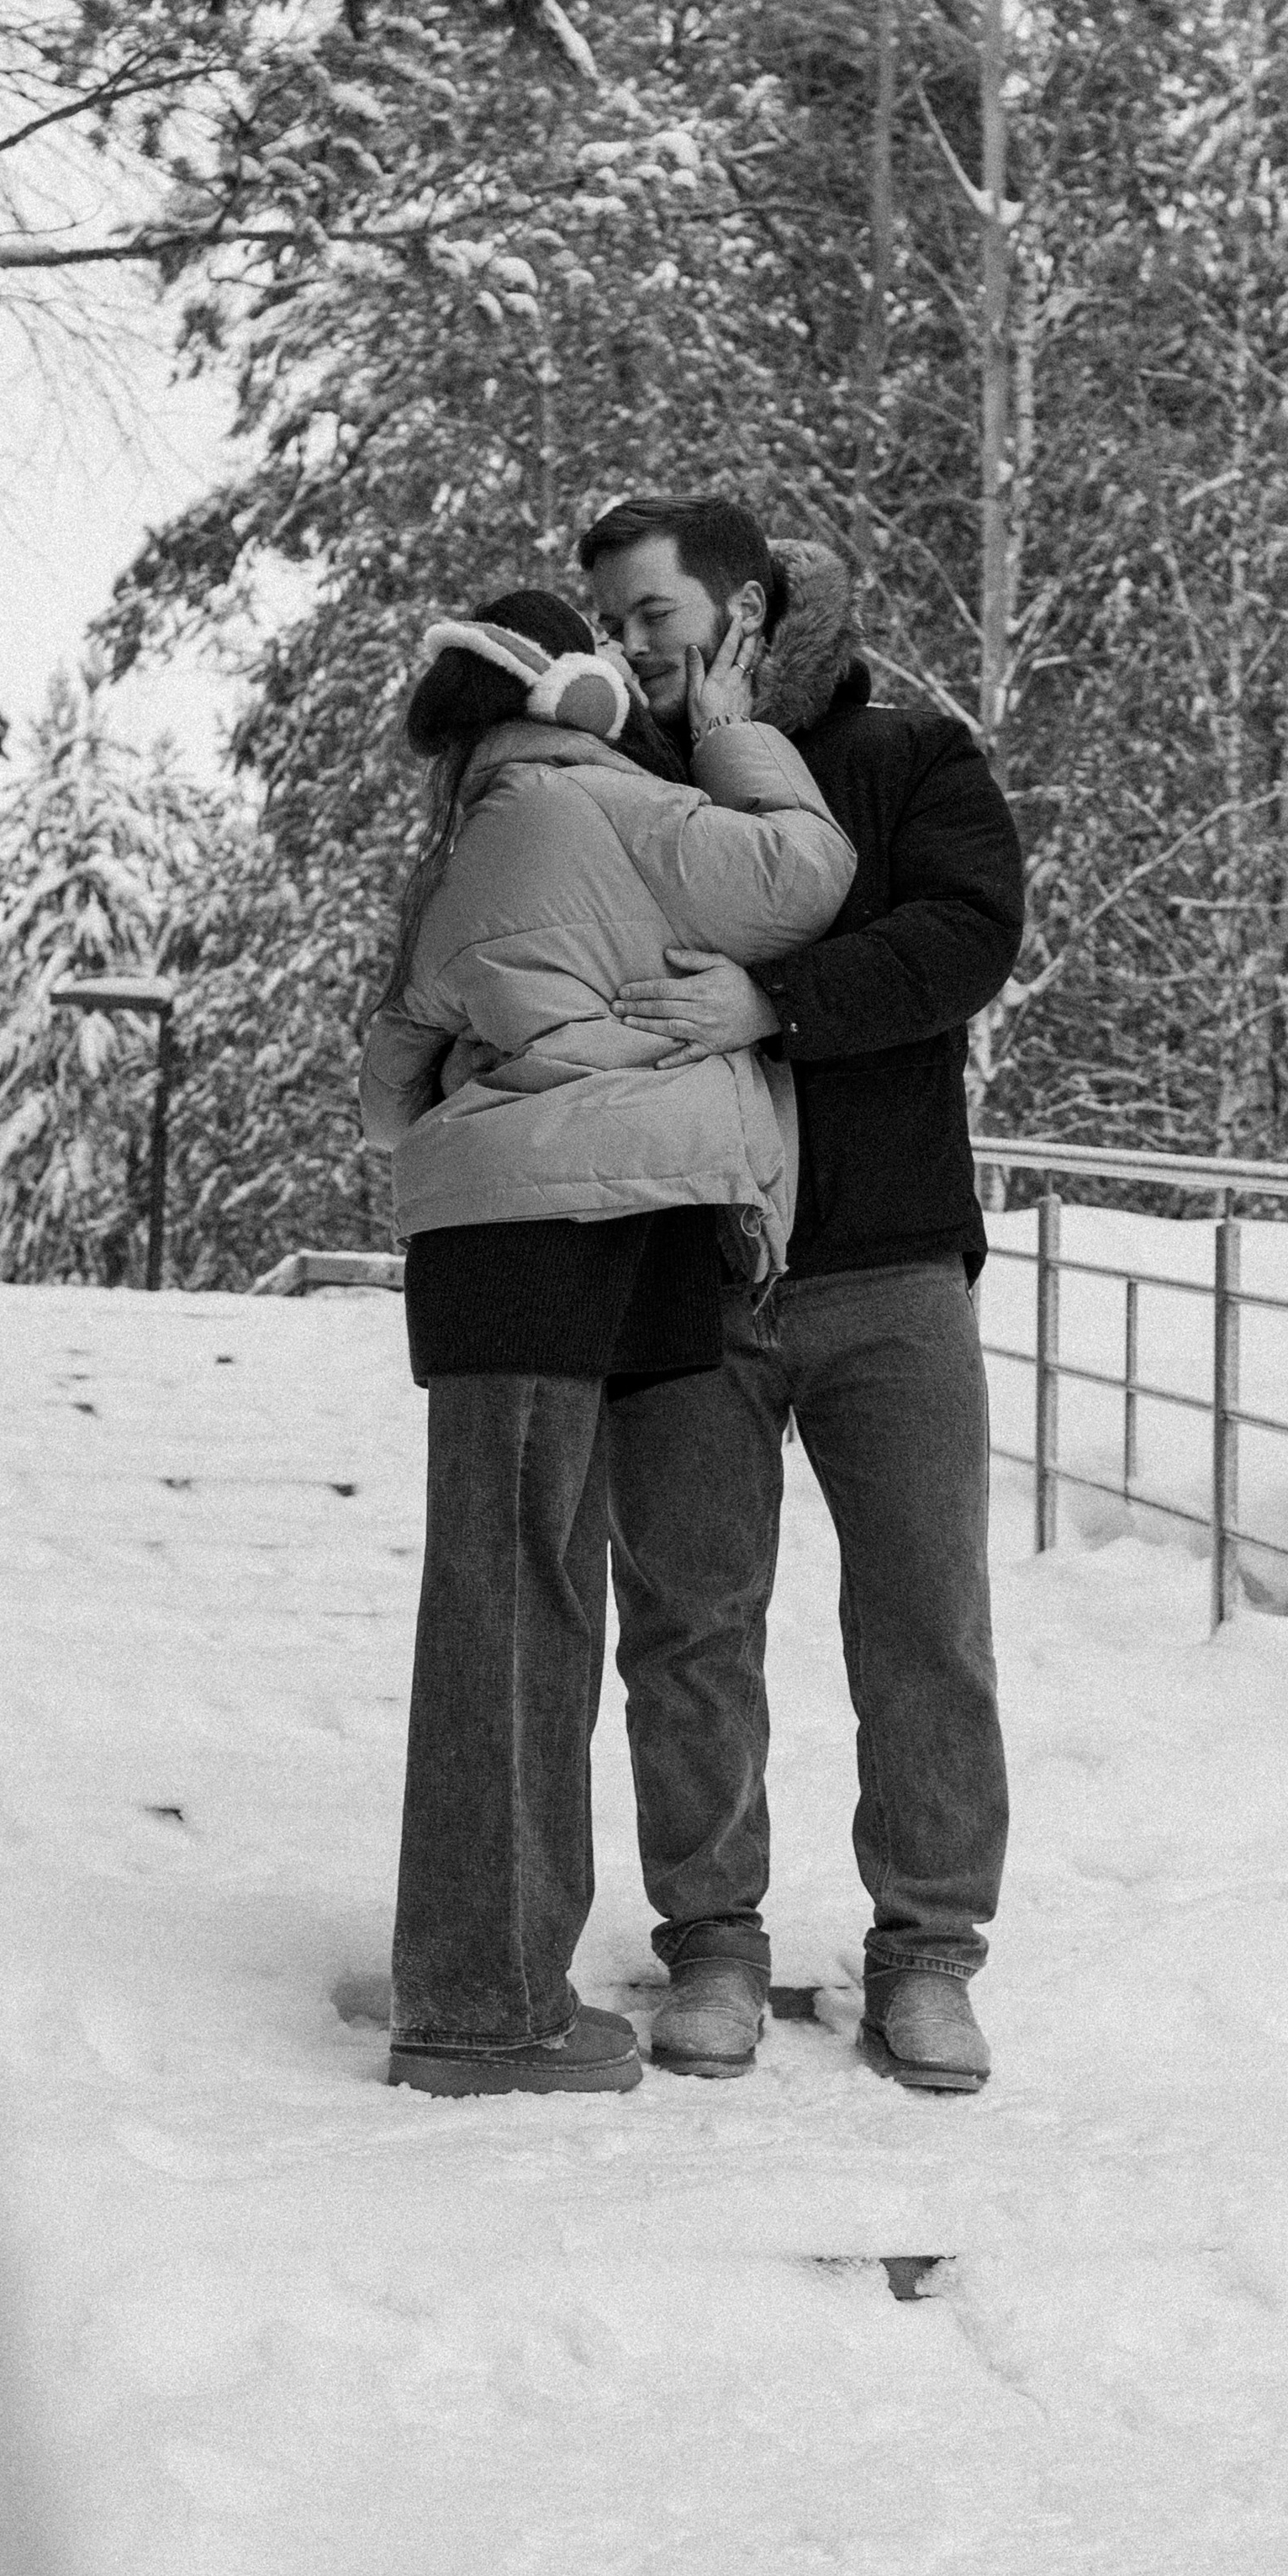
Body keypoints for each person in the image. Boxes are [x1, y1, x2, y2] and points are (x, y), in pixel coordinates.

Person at [359, 587, 855, 2098]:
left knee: (512, 1610)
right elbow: (810, 874)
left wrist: (540, 1051)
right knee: (521, 1622)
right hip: (573, 1250)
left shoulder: (467, 845)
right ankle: (477, 2010)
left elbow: (392, 1090)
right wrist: (736, 737)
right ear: (569, 692)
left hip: (502, 1251)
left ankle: (485, 1975)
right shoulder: (618, 803)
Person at [579, 494, 1024, 2094]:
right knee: (689, 1625)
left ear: (747, 605)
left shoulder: (911, 755)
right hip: (692, 1265)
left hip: (890, 1261)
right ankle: (711, 1940)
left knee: (924, 1621)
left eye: (650, 611)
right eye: (614, 621)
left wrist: (769, 1001)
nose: (631, 644)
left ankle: (927, 1954)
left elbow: (966, 938)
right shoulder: (614, 775)